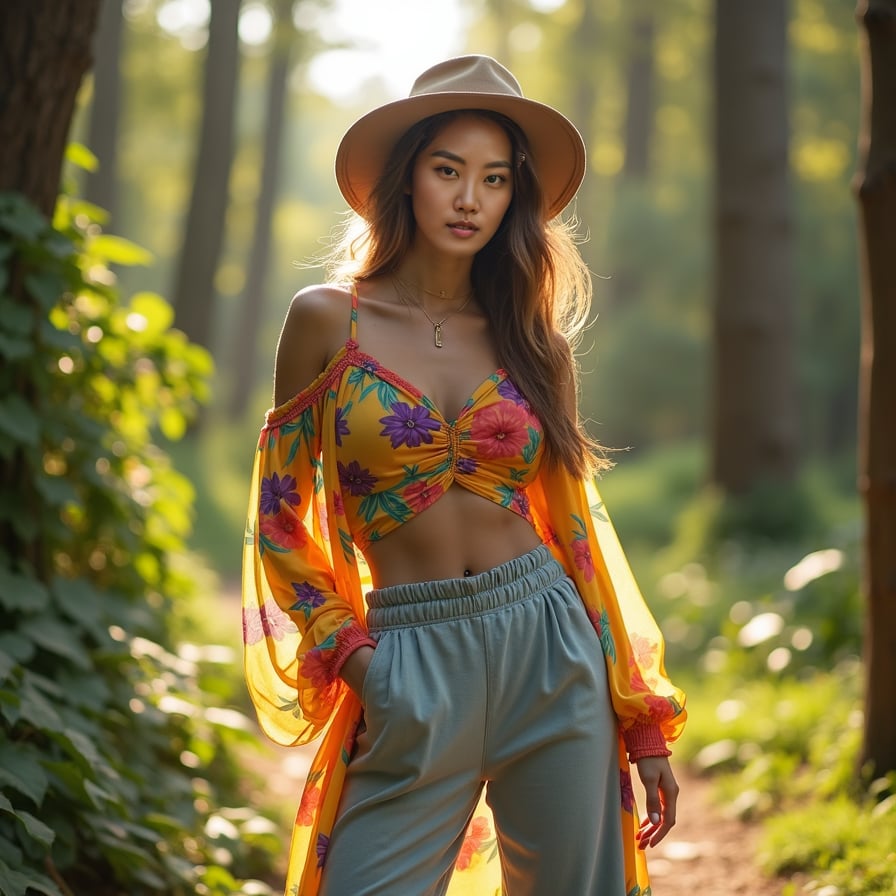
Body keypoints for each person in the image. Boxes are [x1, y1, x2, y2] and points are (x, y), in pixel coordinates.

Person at [242, 55, 686, 896]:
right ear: (406, 178)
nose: (470, 198)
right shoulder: (326, 322)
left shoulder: (534, 342)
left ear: (515, 195)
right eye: (448, 170)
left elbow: (579, 532)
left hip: (549, 647)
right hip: (409, 658)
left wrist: (641, 716)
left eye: (494, 178)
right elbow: (278, 522)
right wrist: (361, 663)